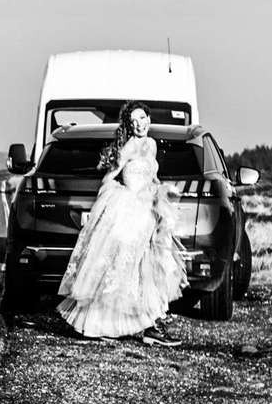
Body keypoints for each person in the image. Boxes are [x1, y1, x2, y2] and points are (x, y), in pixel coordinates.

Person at [55, 102, 186, 344]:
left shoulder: (152, 144)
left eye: (143, 118)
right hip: (129, 214)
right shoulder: (129, 147)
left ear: (149, 118)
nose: (140, 125)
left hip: (149, 212)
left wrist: (161, 191)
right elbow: (109, 177)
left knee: (148, 269)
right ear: (128, 124)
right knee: (124, 270)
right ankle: (109, 325)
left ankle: (149, 326)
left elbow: (152, 175)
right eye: (134, 121)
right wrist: (113, 201)